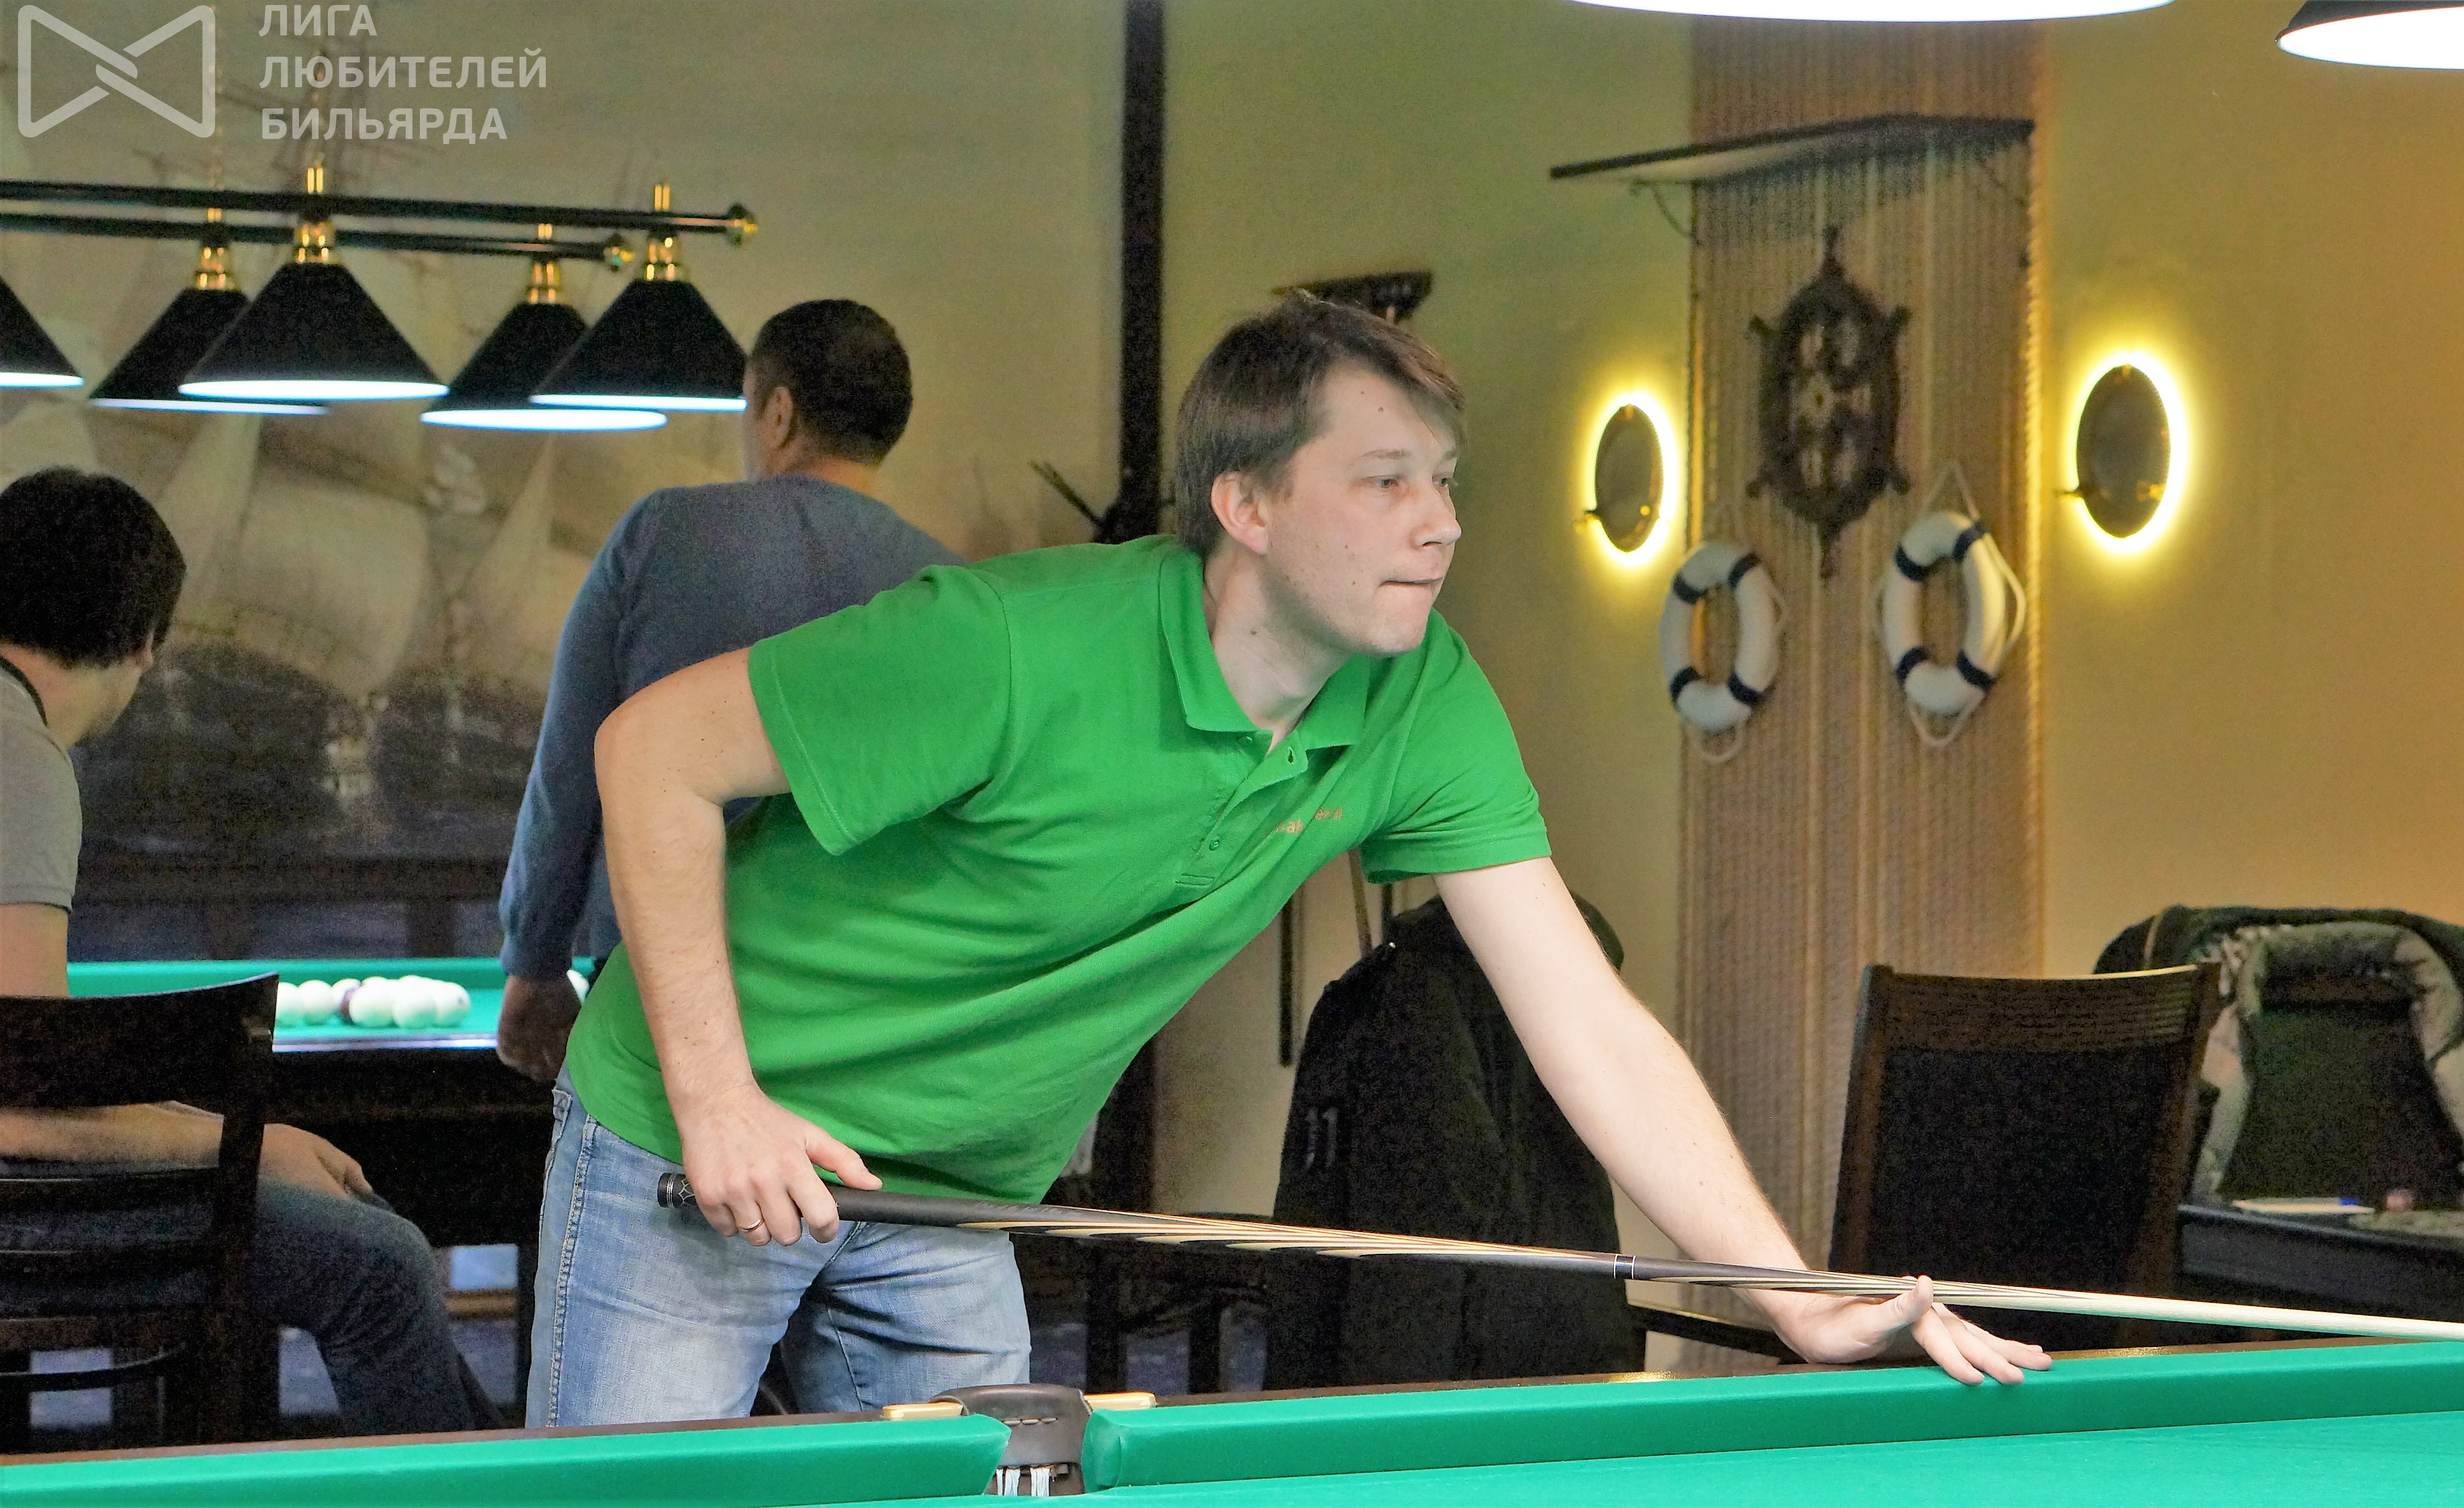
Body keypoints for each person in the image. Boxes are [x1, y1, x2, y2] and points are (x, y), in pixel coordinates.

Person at [532, 298, 2050, 1427]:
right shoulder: (1004, 646)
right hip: (700, 1131)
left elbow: (1582, 1021)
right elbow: (647, 754)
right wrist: (718, 1102)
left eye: (1444, 482)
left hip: (949, 1191)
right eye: (1385, 482)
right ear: (1245, 504)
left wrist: (1791, 1295)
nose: (1439, 525)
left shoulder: (1421, 695)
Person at [0, 467, 494, 1437]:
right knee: (383, 1265)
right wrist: (251, 1144)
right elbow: (22, 1097)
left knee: (368, 1238)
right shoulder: (20, 757)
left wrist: (222, 1137)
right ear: (145, 645)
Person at [495, 300, 960, 1080]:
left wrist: (533, 960)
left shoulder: (662, 533)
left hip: (655, 988)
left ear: (779, 413)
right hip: (865, 998)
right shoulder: (946, 585)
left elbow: (573, 762)